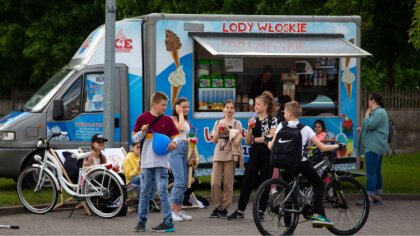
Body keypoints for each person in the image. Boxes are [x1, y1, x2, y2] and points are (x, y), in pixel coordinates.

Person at [268, 101, 340, 227]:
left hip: (283, 163)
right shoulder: (306, 129)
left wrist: (268, 142)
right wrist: (337, 146)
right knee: (319, 185)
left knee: (288, 191)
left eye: (284, 111)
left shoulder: (281, 125)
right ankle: (317, 215)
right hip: (300, 162)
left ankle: (287, 226)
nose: (283, 114)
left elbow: (271, 146)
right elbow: (322, 147)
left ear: (289, 114)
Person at [131, 92, 179, 233]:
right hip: (146, 162)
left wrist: (174, 142)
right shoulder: (142, 118)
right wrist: (142, 132)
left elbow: (176, 136)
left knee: (163, 191)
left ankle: (168, 221)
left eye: (166, 104)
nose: (165, 107)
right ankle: (141, 222)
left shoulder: (168, 120)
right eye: (163, 105)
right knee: (145, 192)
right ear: (154, 104)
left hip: (162, 162)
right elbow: (134, 139)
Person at [228, 93, 277, 220]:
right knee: (247, 181)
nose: (256, 106)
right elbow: (248, 141)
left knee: (265, 182)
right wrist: (249, 130)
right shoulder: (253, 120)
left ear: (265, 106)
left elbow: (270, 138)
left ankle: (261, 211)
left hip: (267, 154)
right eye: (255, 104)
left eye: (258, 104)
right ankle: (240, 211)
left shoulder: (272, 120)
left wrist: (258, 139)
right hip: (254, 153)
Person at [209, 100, 243, 219]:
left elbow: (238, 140)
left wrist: (230, 132)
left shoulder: (237, 123)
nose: (229, 109)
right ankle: (217, 206)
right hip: (218, 154)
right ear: (223, 109)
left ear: (234, 110)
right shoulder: (218, 122)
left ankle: (225, 208)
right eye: (227, 107)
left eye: (231, 107)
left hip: (231, 155)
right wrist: (219, 131)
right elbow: (214, 140)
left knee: (228, 183)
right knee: (215, 182)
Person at [358, 93, 388, 205]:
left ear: (373, 101)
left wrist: (366, 114)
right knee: (376, 172)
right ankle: (377, 196)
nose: (368, 102)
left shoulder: (379, 112)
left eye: (369, 100)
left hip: (373, 147)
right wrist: (362, 129)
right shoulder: (380, 113)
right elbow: (374, 128)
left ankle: (369, 197)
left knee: (371, 172)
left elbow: (369, 125)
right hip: (377, 146)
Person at [169, 97, 193, 222]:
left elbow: (186, 135)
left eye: (188, 107)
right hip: (176, 150)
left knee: (184, 184)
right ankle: (171, 211)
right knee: (179, 182)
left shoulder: (186, 120)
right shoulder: (172, 118)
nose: (186, 109)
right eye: (183, 106)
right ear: (177, 107)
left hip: (185, 148)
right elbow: (180, 129)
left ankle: (178, 210)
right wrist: (179, 113)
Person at [122, 142, 158, 211]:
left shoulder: (143, 157)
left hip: (141, 180)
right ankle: (138, 201)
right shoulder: (128, 159)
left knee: (154, 176)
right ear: (132, 148)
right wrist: (137, 167)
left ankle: (150, 200)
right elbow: (128, 176)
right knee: (143, 176)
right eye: (138, 147)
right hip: (130, 184)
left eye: (141, 147)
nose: (140, 149)